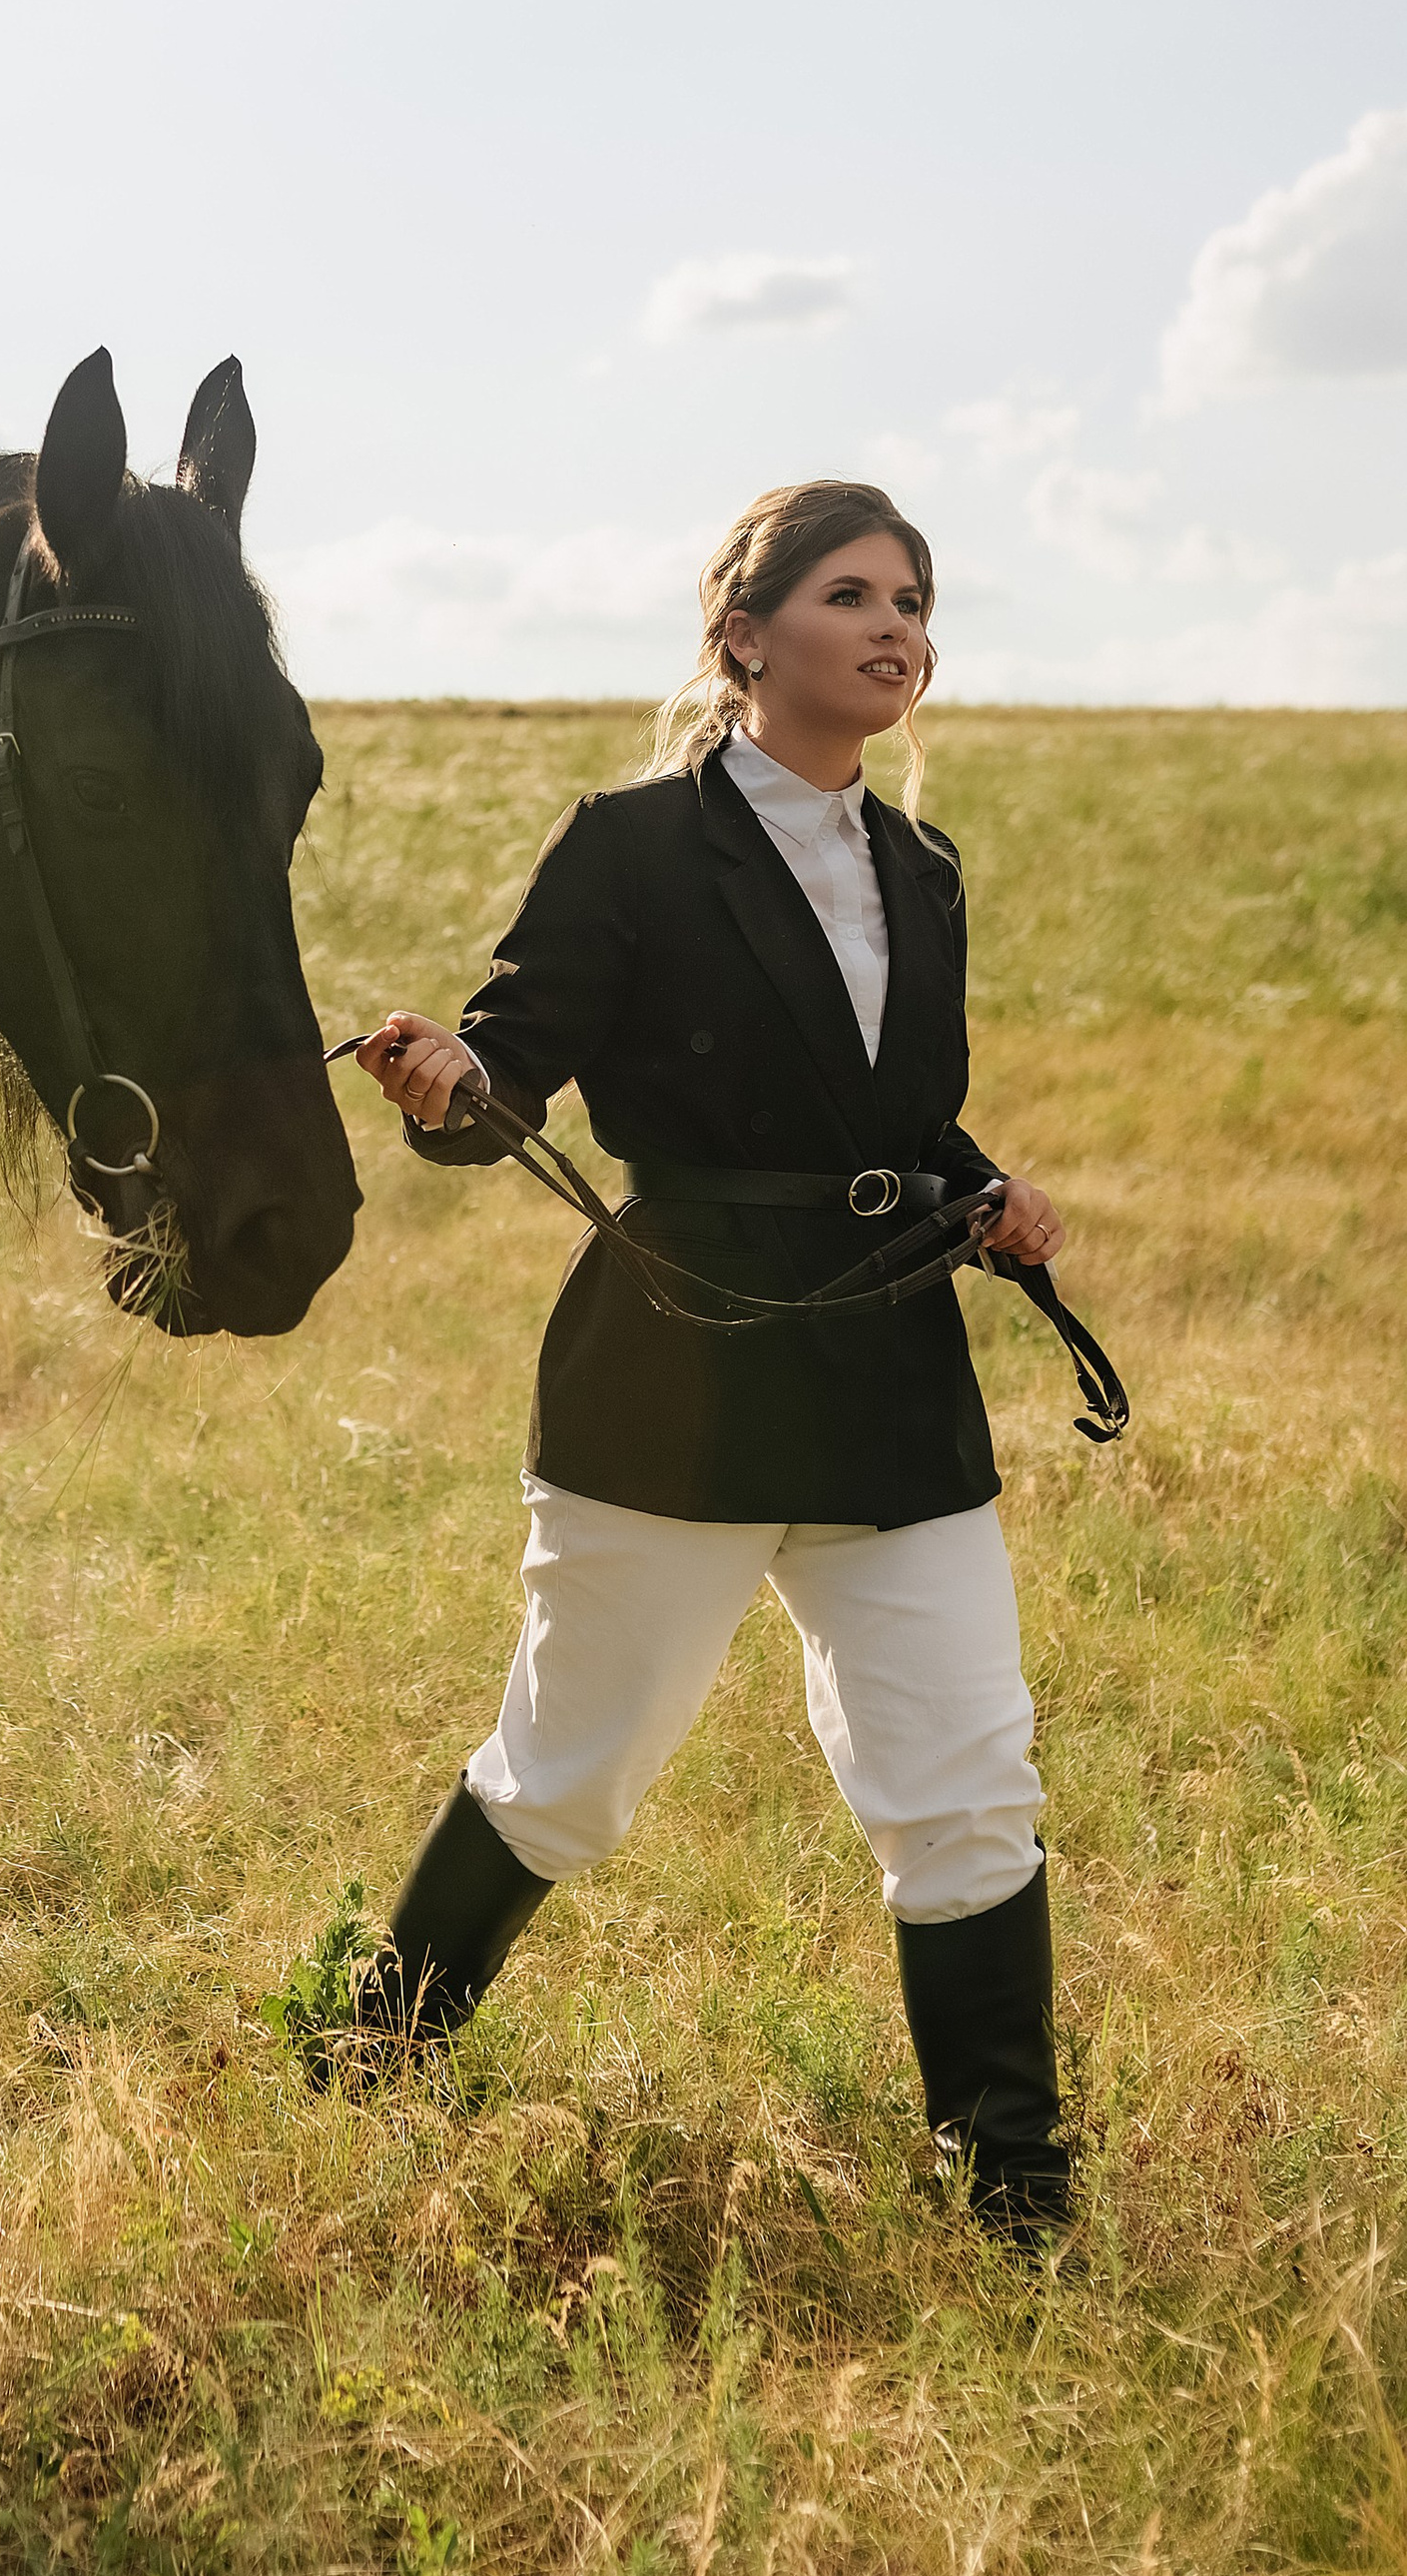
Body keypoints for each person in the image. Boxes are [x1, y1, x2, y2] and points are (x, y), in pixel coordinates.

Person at [351, 478, 1073, 2243]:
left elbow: (887, 1106)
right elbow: (514, 1072)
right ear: (746, 637)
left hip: (891, 1372)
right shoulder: (629, 842)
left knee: (970, 1776)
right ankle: (370, 2062)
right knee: (567, 1773)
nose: (897, 625)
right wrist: (455, 1083)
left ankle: (1016, 2190)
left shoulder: (925, 864)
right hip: (677, 1370)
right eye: (852, 593)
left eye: (914, 597)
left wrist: (984, 1193)